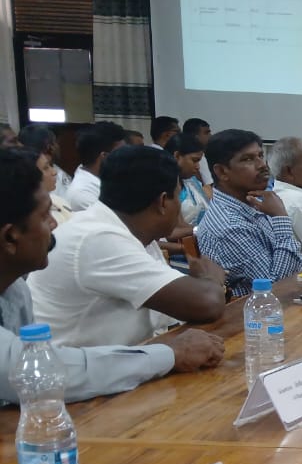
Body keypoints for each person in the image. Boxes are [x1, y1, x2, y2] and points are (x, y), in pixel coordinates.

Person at [0, 148, 223, 402]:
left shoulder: (15, 289)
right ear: (10, 237)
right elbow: (39, 371)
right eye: (44, 216)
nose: (54, 224)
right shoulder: (94, 238)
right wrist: (170, 354)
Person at [29, 146, 226, 347]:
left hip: (122, 358)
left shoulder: (133, 231)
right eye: (177, 196)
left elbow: (173, 309)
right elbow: (207, 303)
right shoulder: (97, 238)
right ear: (162, 202)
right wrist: (211, 278)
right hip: (69, 365)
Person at [197, 129, 302, 297]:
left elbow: (295, 261)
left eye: (260, 156)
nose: (262, 165)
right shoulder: (229, 225)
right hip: (260, 310)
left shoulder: (251, 204)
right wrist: (281, 218)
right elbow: (274, 287)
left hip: (289, 299)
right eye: (247, 159)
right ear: (222, 172)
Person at [159, 133, 206, 256]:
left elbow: (182, 225)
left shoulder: (190, 181)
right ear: (177, 156)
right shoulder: (164, 183)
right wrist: (200, 229)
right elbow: (170, 233)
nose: (198, 167)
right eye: (194, 160)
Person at [64, 121, 128, 211]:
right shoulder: (82, 194)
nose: (127, 158)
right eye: (122, 153)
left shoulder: (110, 178)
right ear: (104, 157)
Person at [25, 146, 74, 228]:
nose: (54, 172)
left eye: (50, 166)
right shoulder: (32, 219)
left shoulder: (57, 199)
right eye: (46, 168)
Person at [19, 124, 72, 196]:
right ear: (49, 146)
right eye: (55, 142)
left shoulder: (53, 167)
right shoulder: (40, 181)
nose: (58, 146)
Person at [183, 117, 214, 184]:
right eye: (206, 133)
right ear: (195, 137)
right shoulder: (198, 157)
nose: (211, 136)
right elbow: (210, 184)